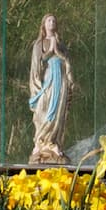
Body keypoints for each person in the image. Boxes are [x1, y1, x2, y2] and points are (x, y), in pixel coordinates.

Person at [28, 11, 70, 165]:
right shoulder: (39, 43)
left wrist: (57, 49)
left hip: (61, 79)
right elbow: (39, 62)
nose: (52, 23)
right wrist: (51, 49)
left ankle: (53, 142)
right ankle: (41, 141)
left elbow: (66, 61)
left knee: (59, 109)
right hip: (48, 77)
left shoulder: (61, 44)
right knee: (43, 108)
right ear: (44, 25)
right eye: (49, 21)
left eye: (54, 21)